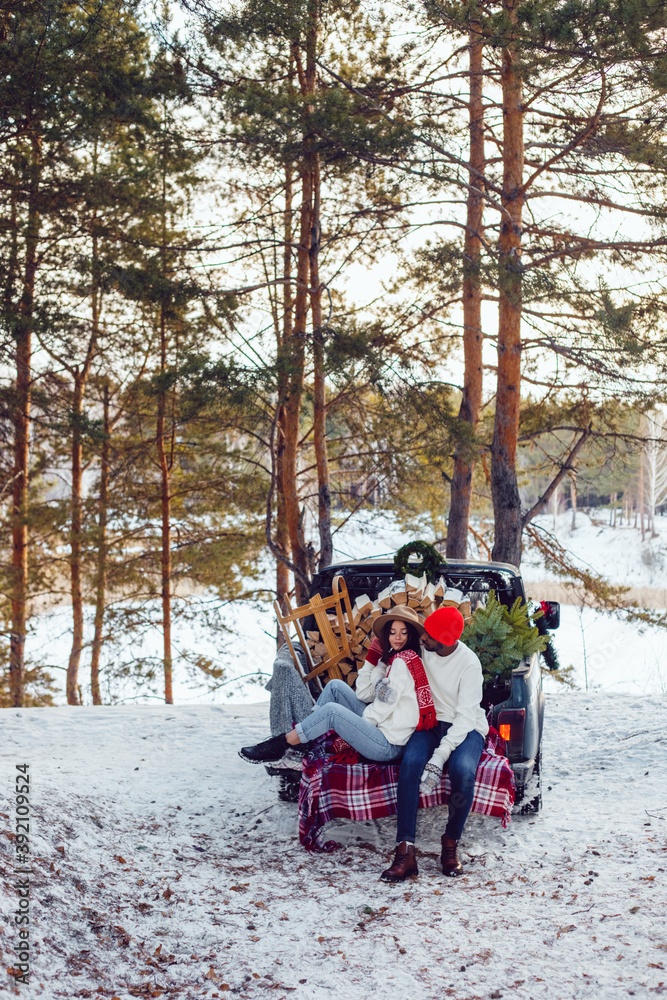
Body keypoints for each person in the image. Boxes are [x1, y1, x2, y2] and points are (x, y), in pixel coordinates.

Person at [238, 606, 436, 766]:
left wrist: (348, 723)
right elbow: (364, 694)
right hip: (383, 727)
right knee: (334, 686)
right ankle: (306, 739)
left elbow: (381, 708)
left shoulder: (402, 663)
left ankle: (281, 744)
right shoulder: (395, 661)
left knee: (332, 712)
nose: (398, 637)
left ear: (411, 636)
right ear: (386, 636)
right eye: (392, 633)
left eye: (404, 632)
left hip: (388, 745)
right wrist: (375, 662)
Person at [380, 604, 488, 883]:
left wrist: (440, 757)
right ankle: (406, 851)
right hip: (429, 723)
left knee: (463, 770)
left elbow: (465, 718)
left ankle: (450, 843)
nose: (423, 638)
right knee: (411, 764)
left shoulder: (469, 664)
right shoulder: (423, 652)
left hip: (466, 728)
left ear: (446, 642)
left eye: (429, 635)